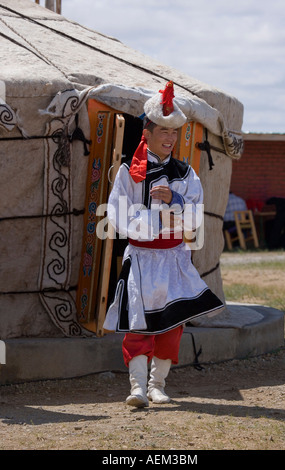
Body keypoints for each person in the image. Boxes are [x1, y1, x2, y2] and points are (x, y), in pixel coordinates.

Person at [103, 81, 224, 408]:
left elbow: (195, 216)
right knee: (138, 324)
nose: (170, 139)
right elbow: (115, 213)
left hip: (173, 258)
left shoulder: (186, 174)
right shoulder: (129, 172)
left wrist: (175, 199)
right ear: (148, 131)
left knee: (172, 325)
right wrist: (147, 221)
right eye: (163, 132)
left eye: (174, 132)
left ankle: (158, 384)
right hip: (142, 258)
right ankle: (137, 387)